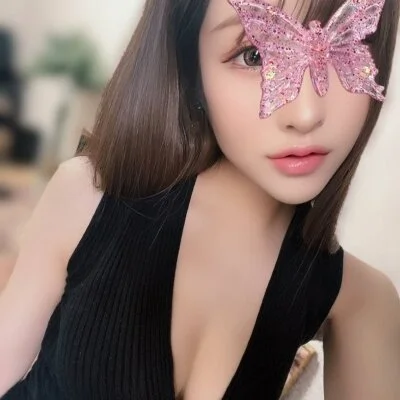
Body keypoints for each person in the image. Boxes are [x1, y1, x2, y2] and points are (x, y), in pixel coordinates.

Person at [1, 0, 399, 398]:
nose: (306, 113)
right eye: (254, 55)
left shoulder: (362, 301)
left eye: (342, 47)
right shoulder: (86, 196)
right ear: (192, 68)